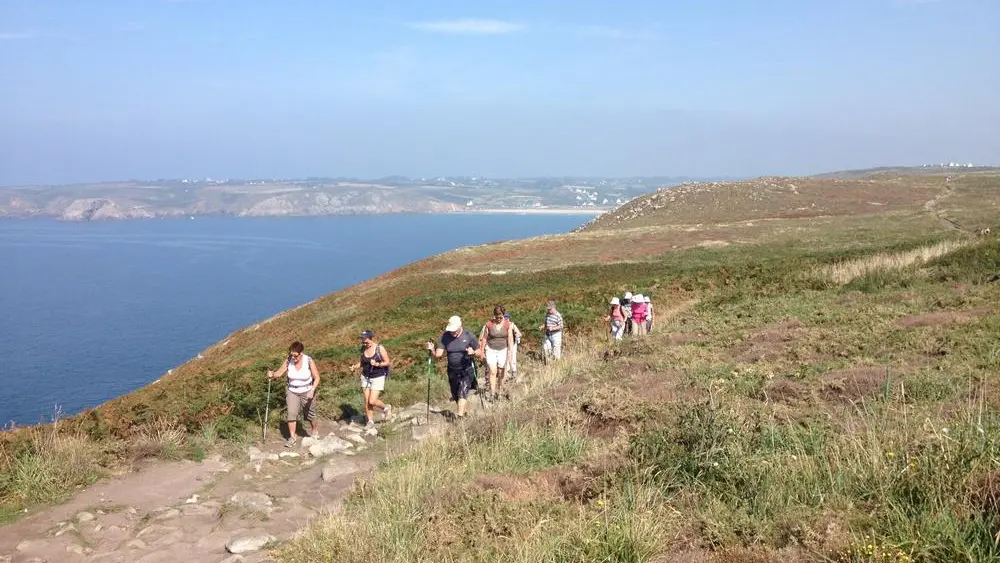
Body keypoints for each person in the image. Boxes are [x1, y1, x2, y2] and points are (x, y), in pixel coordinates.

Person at [267, 341, 321, 448]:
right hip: (292, 391)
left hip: (307, 391)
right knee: (291, 413)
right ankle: (292, 437)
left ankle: (314, 431)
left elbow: (317, 377)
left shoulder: (308, 360)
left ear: (301, 353)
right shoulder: (288, 360)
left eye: (295, 355)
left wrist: (312, 389)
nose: (293, 358)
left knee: (310, 414)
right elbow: (279, 373)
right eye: (292, 355)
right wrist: (272, 374)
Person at [427, 315, 482, 420]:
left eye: (454, 330)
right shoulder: (445, 337)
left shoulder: (468, 335)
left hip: (467, 368)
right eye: (451, 330)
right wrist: (432, 350)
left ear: (459, 327)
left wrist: (473, 352)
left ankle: (460, 417)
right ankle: (463, 413)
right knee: (456, 394)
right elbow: (438, 355)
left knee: (463, 391)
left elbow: (480, 353)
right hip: (452, 370)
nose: (452, 332)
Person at [352, 330, 392, 428]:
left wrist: (378, 364)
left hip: (378, 376)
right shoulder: (363, 348)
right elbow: (362, 362)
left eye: (366, 341)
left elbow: (387, 362)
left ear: (371, 338)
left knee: (372, 401)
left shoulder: (379, 348)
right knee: (366, 400)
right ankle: (370, 421)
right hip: (365, 377)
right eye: (363, 340)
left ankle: (386, 407)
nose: (364, 343)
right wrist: (354, 367)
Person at [479, 305, 515, 402]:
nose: (499, 319)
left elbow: (510, 339)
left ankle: (499, 391)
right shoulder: (489, 324)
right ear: (494, 315)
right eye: (497, 317)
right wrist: (482, 351)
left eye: (501, 317)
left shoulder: (508, 324)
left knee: (501, 372)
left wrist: (510, 353)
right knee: (493, 371)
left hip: (503, 350)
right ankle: (492, 393)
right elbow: (485, 338)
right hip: (491, 349)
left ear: (503, 315)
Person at [505, 312, 522, 381]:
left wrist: (516, 335)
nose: (506, 320)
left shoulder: (512, 325)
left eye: (507, 318)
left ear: (509, 318)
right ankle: (507, 372)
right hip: (504, 344)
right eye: (505, 318)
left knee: (513, 358)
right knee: (505, 358)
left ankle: (513, 371)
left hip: (513, 344)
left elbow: (519, 334)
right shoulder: (501, 325)